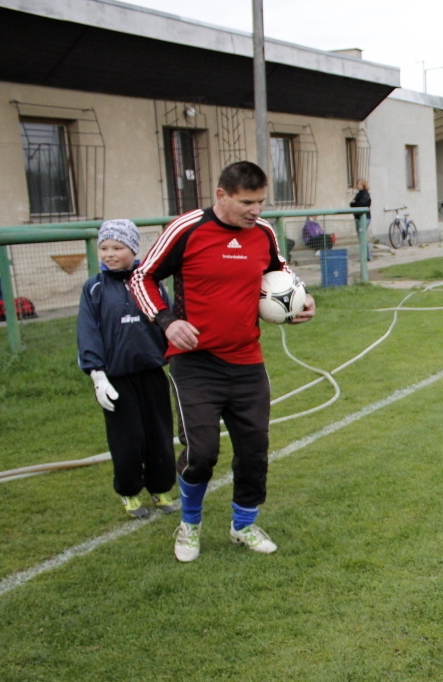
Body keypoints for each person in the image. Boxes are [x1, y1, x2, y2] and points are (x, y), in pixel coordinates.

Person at [129, 160, 315, 563]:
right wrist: (166, 321)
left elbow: (278, 273)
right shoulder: (187, 229)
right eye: (247, 202)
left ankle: (243, 525)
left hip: (247, 360)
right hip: (195, 363)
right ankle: (190, 525)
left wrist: (300, 301)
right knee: (202, 452)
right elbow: (141, 277)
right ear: (221, 195)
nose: (256, 210)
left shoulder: (263, 233)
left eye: (261, 201)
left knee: (254, 450)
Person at [77, 219, 178, 519]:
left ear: (133, 250)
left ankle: (160, 488)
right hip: (116, 379)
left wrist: (176, 360)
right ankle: (129, 492)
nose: (109, 253)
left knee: (160, 435)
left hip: (151, 374)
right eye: (104, 247)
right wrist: (97, 375)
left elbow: (166, 321)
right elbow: (87, 332)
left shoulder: (150, 283)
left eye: (117, 247)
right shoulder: (93, 288)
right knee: (128, 439)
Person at [350, 179, 371, 260]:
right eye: (357, 184)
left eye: (359, 184)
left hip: (364, 218)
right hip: (357, 218)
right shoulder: (358, 194)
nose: (357, 185)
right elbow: (352, 204)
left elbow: (362, 204)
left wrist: (355, 204)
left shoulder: (365, 194)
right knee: (360, 237)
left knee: (362, 236)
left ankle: (366, 255)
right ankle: (364, 255)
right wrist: (354, 204)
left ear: (363, 185)